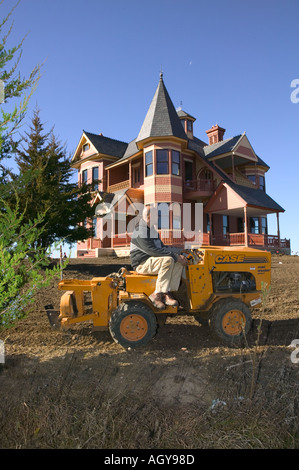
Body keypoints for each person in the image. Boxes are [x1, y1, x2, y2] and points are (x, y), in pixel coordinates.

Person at [130, 205, 188, 310]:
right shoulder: (140, 230)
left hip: (153, 260)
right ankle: (156, 294)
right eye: (157, 216)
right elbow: (151, 250)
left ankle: (167, 292)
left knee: (179, 261)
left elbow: (162, 248)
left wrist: (180, 251)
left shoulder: (152, 230)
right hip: (142, 263)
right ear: (151, 216)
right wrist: (176, 256)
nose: (159, 218)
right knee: (170, 259)